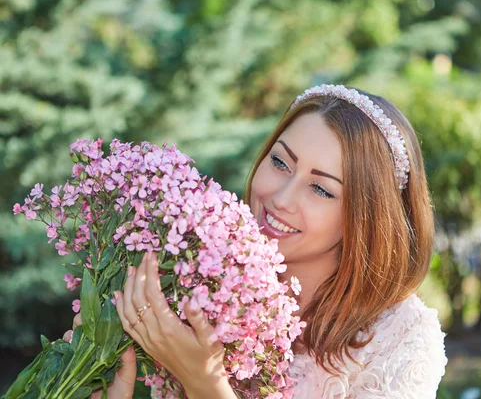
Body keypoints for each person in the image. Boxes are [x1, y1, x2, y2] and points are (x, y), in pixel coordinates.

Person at [67, 84, 448, 398]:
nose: (281, 198)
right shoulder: (197, 284)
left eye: (320, 188)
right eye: (281, 163)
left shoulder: (402, 338)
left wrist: (204, 382)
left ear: (367, 217)